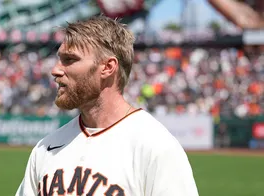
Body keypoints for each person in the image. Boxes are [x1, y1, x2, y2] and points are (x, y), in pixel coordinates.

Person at [15, 16, 199, 196]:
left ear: (108, 67)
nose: (55, 70)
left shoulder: (155, 146)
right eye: (59, 58)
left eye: (69, 59)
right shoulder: (45, 147)